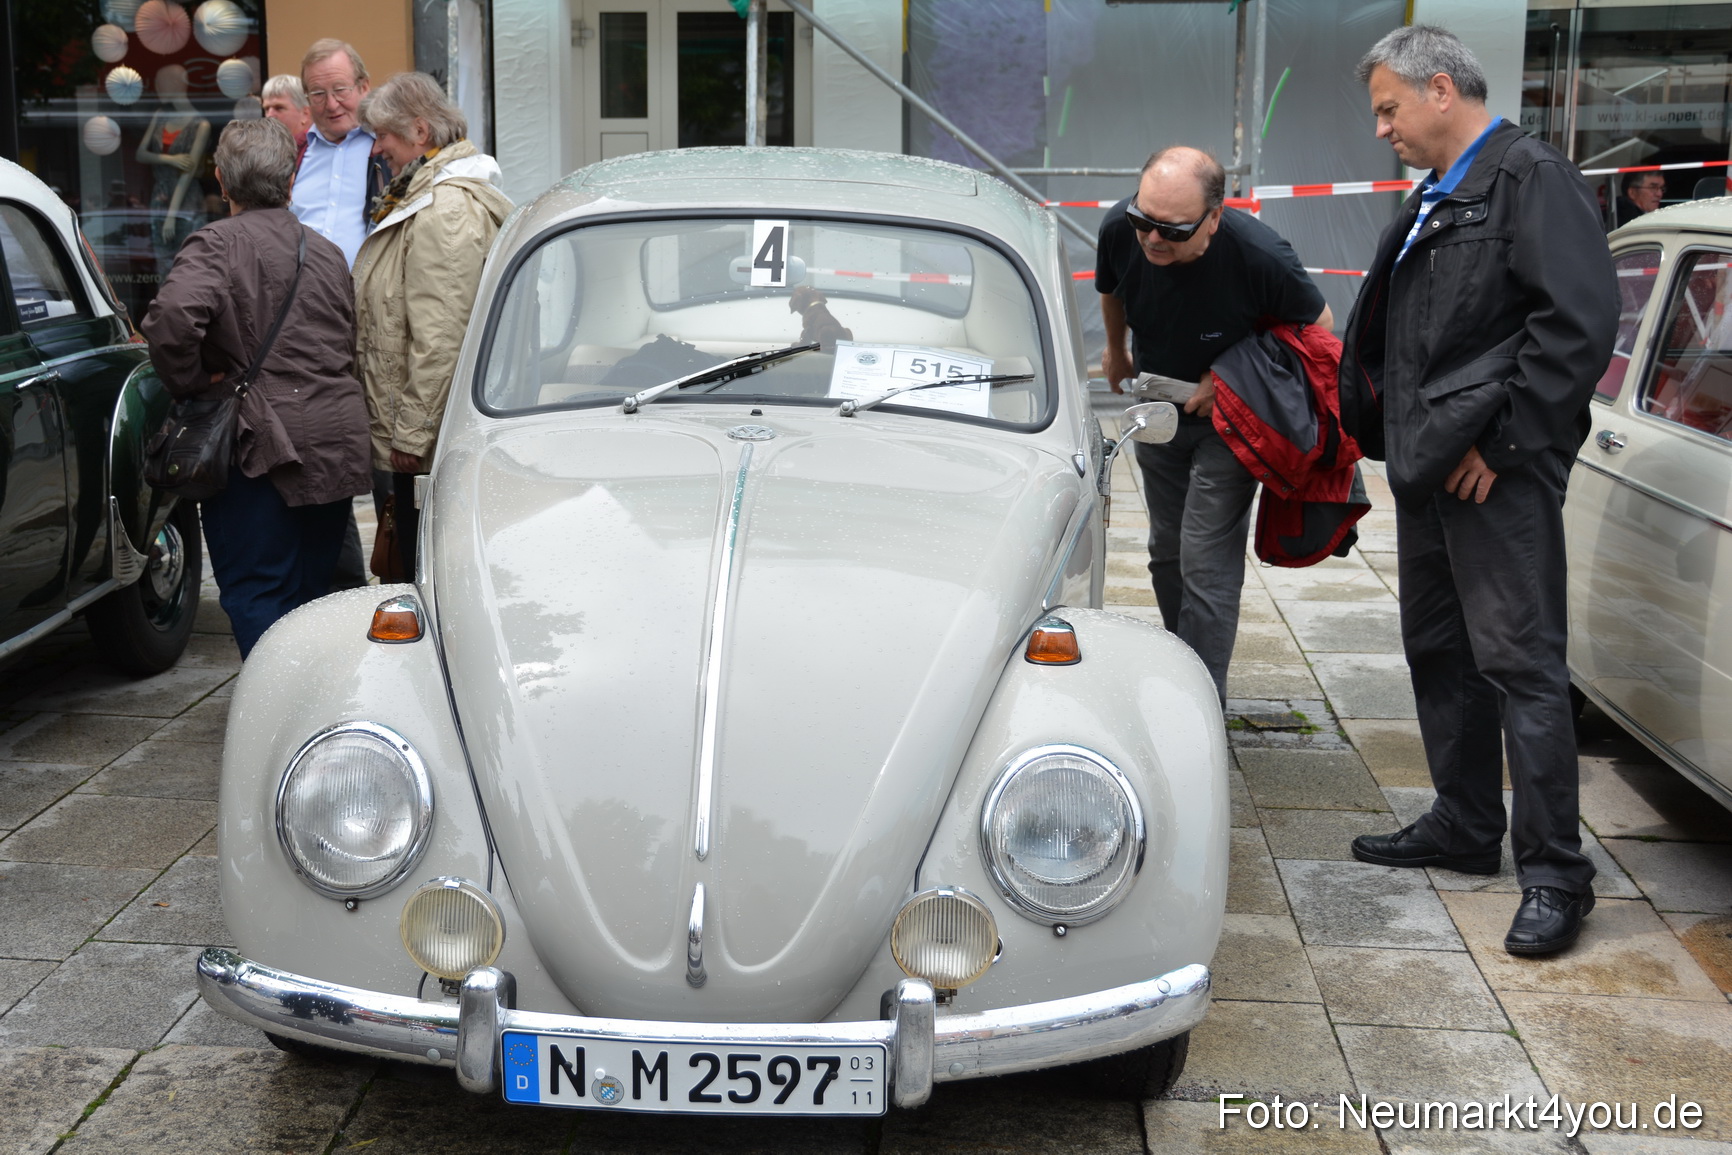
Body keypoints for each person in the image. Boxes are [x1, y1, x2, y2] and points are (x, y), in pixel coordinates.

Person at [1340, 26, 1617, 956]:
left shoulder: (1531, 178)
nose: (1382, 128)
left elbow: (1577, 324)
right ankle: (1464, 824)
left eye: (1389, 107)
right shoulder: (1439, 194)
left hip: (1492, 472)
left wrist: (1505, 441)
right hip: (1432, 469)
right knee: (1438, 650)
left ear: (1442, 89)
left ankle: (1556, 876)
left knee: (1523, 667)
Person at [1097, 147, 1332, 703]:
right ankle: (1185, 667)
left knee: (1205, 557)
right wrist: (1114, 350)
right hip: (1158, 409)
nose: (1152, 239)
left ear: (1214, 218)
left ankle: (1201, 702)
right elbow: (1112, 288)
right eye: (1143, 221)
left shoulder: (1258, 255)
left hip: (1232, 423)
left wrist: (1227, 380)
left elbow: (1319, 332)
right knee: (1167, 551)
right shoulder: (1118, 228)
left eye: (1172, 231)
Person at [141, 119, 372, 659]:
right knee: (317, 595)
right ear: (289, 181)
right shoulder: (327, 251)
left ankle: (276, 725)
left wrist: (196, 382)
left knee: (258, 590)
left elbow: (172, 320)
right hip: (333, 436)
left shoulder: (217, 244)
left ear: (221, 181)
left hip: (259, 444)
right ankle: (314, 717)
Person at [353, 72, 512, 576]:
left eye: (385, 135)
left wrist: (412, 435)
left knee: (422, 570)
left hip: (425, 446)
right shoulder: (431, 195)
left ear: (420, 132)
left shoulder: (445, 207)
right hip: (421, 437)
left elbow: (442, 335)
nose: (378, 149)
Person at [292, 40, 388, 269]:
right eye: (318, 94)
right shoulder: (292, 153)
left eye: (340, 90)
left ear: (364, 86)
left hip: (367, 298)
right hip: (300, 298)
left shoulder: (389, 149)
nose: (332, 105)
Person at [261, 73, 313, 160]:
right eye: (266, 109)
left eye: (279, 108)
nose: (270, 115)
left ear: (305, 114)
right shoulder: (265, 152)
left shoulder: (318, 151)